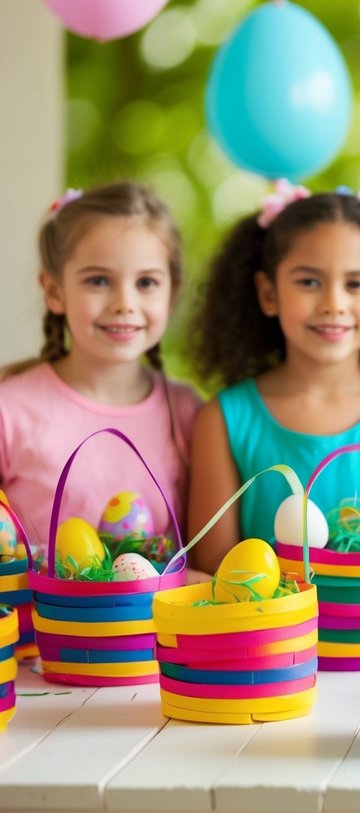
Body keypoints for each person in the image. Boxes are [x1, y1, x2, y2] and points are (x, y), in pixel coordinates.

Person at [187, 183, 360, 572]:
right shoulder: (224, 419)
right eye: (309, 282)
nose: (334, 304)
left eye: (356, 284)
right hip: (270, 631)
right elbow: (215, 568)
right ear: (268, 293)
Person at [0, 183, 199, 549]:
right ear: (55, 291)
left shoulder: (188, 410)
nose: (124, 302)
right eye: (98, 280)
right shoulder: (9, 409)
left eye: (146, 282)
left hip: (156, 608)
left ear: (172, 293)